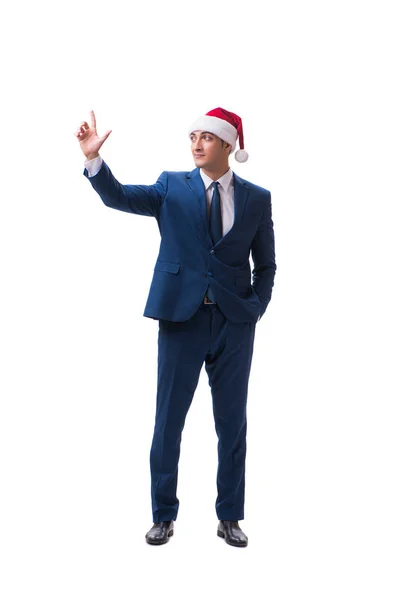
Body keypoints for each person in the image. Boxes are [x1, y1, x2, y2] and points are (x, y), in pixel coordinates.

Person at [75, 107, 277, 547]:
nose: (197, 144)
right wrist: (95, 162)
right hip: (180, 319)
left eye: (207, 137)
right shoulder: (171, 185)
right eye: (193, 137)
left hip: (233, 325)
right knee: (168, 421)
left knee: (233, 425)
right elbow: (120, 197)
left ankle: (230, 517)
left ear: (228, 145)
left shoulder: (257, 198)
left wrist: (254, 308)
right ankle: (163, 514)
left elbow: (266, 264)